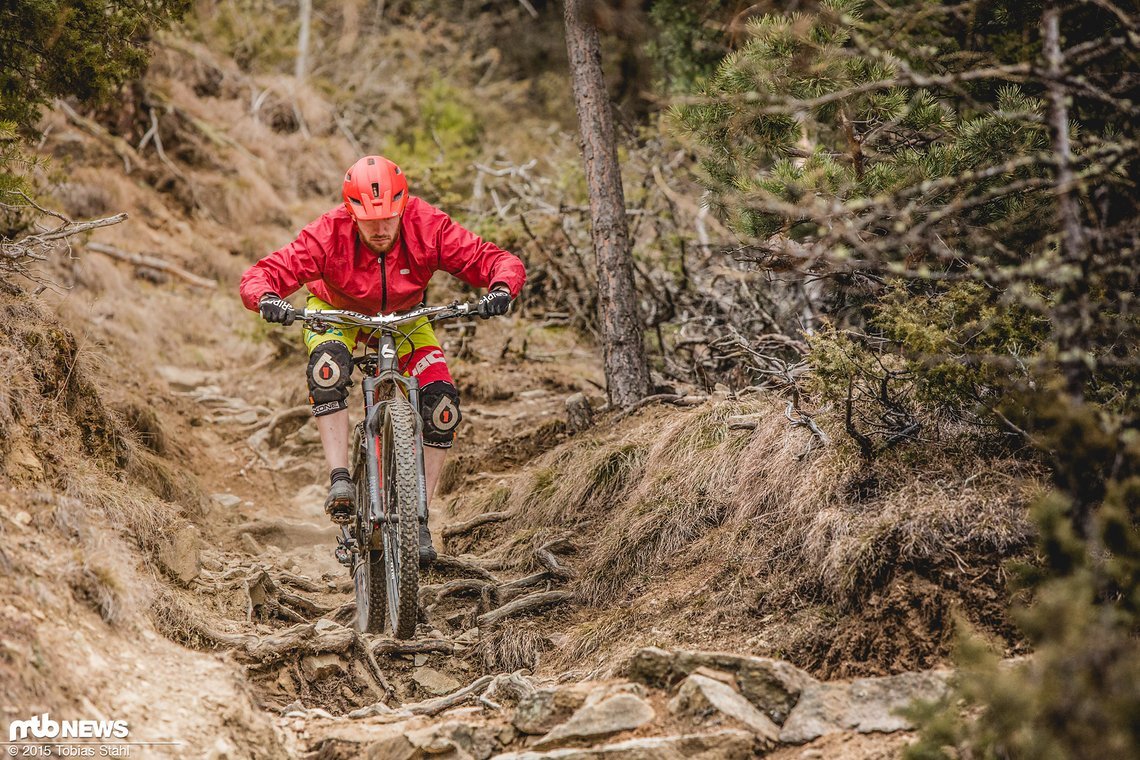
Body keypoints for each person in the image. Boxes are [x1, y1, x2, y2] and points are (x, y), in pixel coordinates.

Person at [239, 155, 526, 563]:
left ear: (403, 204)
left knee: (441, 405)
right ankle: (340, 478)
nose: (380, 229)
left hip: (406, 318)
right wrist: (266, 298)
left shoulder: (428, 225)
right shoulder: (328, 231)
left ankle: (419, 519)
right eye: (368, 220)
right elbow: (263, 272)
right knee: (328, 369)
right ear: (351, 211)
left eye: (389, 218)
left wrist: (500, 288)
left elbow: (497, 260)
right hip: (336, 312)